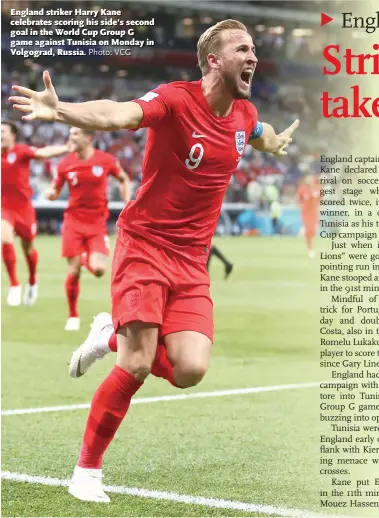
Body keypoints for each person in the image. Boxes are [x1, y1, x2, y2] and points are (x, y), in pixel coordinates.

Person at [10, 19, 299, 503]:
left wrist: (275, 141)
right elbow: (120, 115)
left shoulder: (245, 115)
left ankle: (107, 332)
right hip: (144, 244)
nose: (253, 56)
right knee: (138, 362)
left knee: (189, 369)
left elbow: (261, 132)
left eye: (254, 48)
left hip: (191, 261)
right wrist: (64, 112)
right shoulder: (175, 99)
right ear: (213, 59)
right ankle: (86, 471)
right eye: (242, 48)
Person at [44, 127, 130, 331]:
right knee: (73, 271)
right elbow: (56, 190)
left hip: (97, 222)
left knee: (99, 270)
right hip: (73, 221)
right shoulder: (65, 164)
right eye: (70, 133)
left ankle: (85, 259)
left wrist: (127, 202)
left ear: (88, 137)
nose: (71, 137)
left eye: (75, 133)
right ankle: (72, 315)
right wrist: (51, 194)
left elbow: (123, 179)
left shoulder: (106, 160)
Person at [1, 120, 72, 306]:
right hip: (4, 208)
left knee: (28, 249)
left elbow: (43, 152)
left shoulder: (22, 151)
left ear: (12, 135)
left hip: (24, 208)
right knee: (5, 239)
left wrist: (65, 148)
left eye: (3, 131)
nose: (0, 134)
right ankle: (14, 285)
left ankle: (33, 281)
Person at [297, 173, 320, 258]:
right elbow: (298, 200)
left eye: (310, 178)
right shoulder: (302, 190)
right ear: (305, 180)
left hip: (314, 213)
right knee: (309, 231)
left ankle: (303, 231)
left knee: (314, 231)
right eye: (307, 178)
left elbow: (321, 200)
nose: (309, 180)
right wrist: (301, 207)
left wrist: (320, 208)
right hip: (306, 213)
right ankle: (310, 249)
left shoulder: (317, 189)